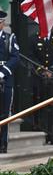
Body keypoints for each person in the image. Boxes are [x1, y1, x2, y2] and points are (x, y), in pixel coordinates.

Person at [31, 30, 53, 144]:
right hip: (39, 80)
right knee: (40, 106)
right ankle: (41, 131)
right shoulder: (33, 39)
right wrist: (41, 70)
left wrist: (52, 71)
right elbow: (31, 56)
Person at [0, 11, 19, 153]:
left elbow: (15, 58)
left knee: (4, 114)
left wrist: (3, 72)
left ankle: (2, 144)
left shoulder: (9, 38)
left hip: (5, 80)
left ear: (3, 23)